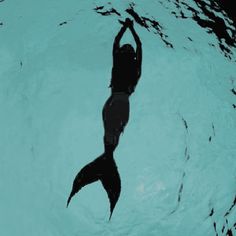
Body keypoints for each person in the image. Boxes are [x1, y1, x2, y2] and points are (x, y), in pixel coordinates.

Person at [67, 18, 142, 219]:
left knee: (111, 131)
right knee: (112, 131)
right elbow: (133, 45)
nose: (126, 49)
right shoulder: (134, 69)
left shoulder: (120, 61)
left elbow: (117, 43)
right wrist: (131, 30)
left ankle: (106, 161)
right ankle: (106, 161)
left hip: (113, 103)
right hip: (119, 103)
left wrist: (126, 28)